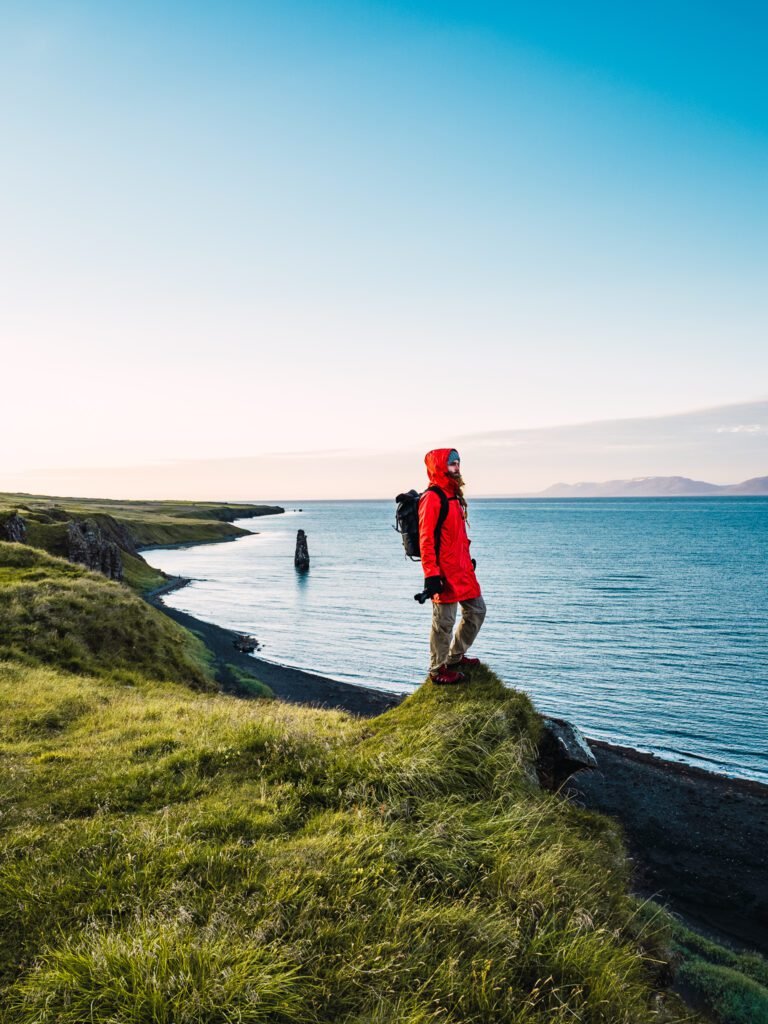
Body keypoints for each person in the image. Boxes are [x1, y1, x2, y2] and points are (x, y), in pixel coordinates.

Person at [418, 448, 486, 684]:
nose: (457, 468)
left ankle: (455, 657)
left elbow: (457, 538)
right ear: (439, 467)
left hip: (463, 571)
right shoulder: (432, 498)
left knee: (477, 611)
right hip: (443, 574)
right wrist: (431, 576)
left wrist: (467, 562)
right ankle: (437, 670)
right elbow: (426, 541)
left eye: (458, 463)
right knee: (444, 623)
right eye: (452, 464)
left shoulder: (454, 496)